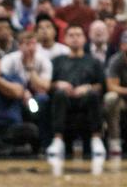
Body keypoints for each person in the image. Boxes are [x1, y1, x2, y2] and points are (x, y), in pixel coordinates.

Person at [46, 24, 107, 159]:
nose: (75, 39)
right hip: (64, 98)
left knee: (93, 94)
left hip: (86, 98)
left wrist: (88, 87)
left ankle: (96, 139)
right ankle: (58, 140)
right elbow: (47, 85)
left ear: (84, 39)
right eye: (71, 35)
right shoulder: (56, 61)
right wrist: (58, 84)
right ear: (65, 39)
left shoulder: (94, 61)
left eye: (78, 35)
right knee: (59, 94)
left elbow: (101, 85)